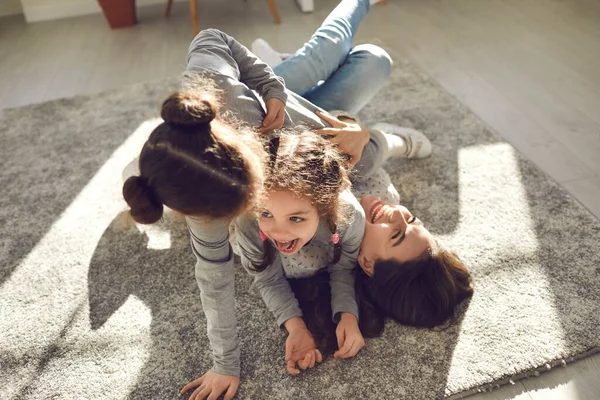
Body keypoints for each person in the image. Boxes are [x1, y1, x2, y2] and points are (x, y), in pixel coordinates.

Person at [122, 1, 436, 399]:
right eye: (258, 212)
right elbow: (215, 282)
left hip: (281, 108)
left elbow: (213, 36)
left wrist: (273, 90)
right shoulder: (210, 216)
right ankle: (280, 67)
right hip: (259, 120)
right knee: (370, 62)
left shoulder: (294, 144)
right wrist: (226, 365)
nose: (269, 225)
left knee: (360, 67)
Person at [234, 130, 366, 376]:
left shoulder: (350, 217)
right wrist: (296, 327)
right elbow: (267, 278)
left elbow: (343, 268)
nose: (279, 232)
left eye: (295, 218)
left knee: (371, 157)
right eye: (266, 213)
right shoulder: (247, 223)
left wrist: (348, 314)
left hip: (338, 143)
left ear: (325, 208)